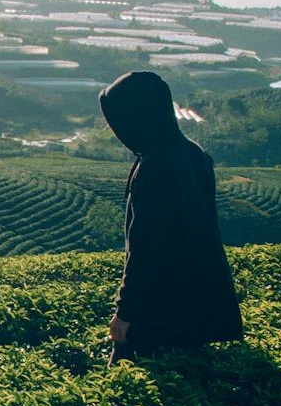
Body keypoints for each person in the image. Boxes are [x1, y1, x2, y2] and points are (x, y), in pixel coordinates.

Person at [98, 71, 243, 359]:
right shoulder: (193, 154)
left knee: (132, 388)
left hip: (160, 311)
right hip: (199, 305)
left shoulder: (154, 168)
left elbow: (146, 249)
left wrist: (125, 312)